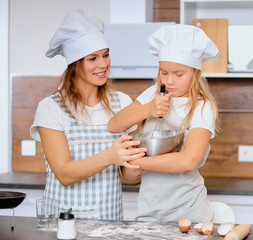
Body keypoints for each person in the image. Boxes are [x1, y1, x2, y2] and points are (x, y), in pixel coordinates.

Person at [30, 9, 146, 221]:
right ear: (74, 65)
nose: (103, 65)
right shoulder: (51, 108)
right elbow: (64, 174)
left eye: (106, 55)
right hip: (64, 224)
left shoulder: (123, 103)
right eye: (93, 58)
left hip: (110, 223)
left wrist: (137, 167)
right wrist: (110, 155)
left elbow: (128, 177)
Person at [107, 24, 220, 223]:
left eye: (179, 74)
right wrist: (147, 109)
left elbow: (188, 160)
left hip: (190, 212)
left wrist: (138, 162)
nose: (169, 81)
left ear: (195, 72)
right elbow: (114, 125)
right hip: (149, 212)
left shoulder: (202, 106)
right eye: (163, 72)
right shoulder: (152, 94)